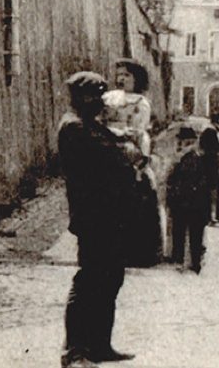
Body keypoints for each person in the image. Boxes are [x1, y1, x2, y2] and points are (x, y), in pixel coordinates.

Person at [58, 71, 138, 368]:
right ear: (82, 97)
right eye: (96, 96)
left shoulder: (88, 125)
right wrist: (125, 149)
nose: (101, 103)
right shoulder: (74, 127)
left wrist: (122, 140)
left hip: (109, 215)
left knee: (111, 278)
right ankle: (75, 351)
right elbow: (113, 157)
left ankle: (99, 344)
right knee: (90, 279)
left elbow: (112, 142)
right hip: (93, 216)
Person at [103, 58, 161, 268]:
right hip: (108, 146)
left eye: (126, 75)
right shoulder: (108, 98)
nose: (121, 79)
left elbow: (137, 130)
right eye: (119, 74)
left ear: (136, 79)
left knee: (134, 197)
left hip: (130, 147)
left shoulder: (139, 102)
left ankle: (135, 252)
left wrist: (117, 131)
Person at [165, 126, 211, 274]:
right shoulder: (195, 157)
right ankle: (192, 262)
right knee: (192, 233)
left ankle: (182, 260)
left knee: (183, 232)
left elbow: (182, 181)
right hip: (192, 202)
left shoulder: (187, 158)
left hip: (185, 201)